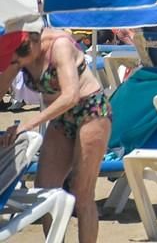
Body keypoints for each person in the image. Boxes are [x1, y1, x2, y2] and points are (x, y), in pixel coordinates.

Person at [0, 24, 112, 243]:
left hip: (90, 111)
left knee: (82, 193)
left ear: (33, 40)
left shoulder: (59, 45)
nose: (18, 62)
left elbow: (71, 95)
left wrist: (27, 124)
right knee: (45, 190)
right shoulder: (18, 53)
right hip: (61, 118)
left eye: (21, 55)